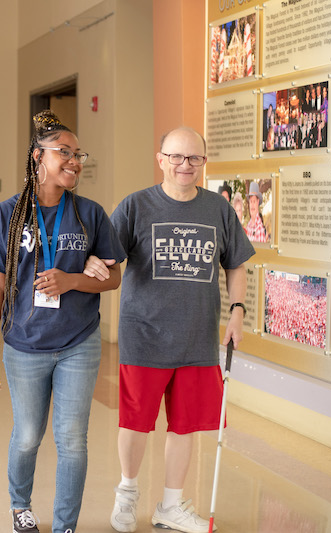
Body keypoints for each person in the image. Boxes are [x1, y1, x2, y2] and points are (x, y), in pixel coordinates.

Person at [86, 127, 254, 533]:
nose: (185, 166)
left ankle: (171, 506)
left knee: (186, 425)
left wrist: (237, 311)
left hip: (196, 336)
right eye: (177, 157)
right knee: (135, 421)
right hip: (144, 333)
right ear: (160, 159)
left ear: (203, 162)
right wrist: (95, 262)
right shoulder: (136, 206)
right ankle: (127, 495)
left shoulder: (218, 208)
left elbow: (236, 264)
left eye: (194, 159)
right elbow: (107, 255)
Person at [0, 110, 126, 533]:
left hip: (79, 341)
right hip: (24, 343)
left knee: (73, 440)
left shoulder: (90, 214)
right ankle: (20, 506)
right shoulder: (5, 215)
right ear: (38, 157)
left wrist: (72, 279)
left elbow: (113, 277)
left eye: (79, 154)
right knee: (27, 436)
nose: (75, 161)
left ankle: (65, 525)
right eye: (65, 152)